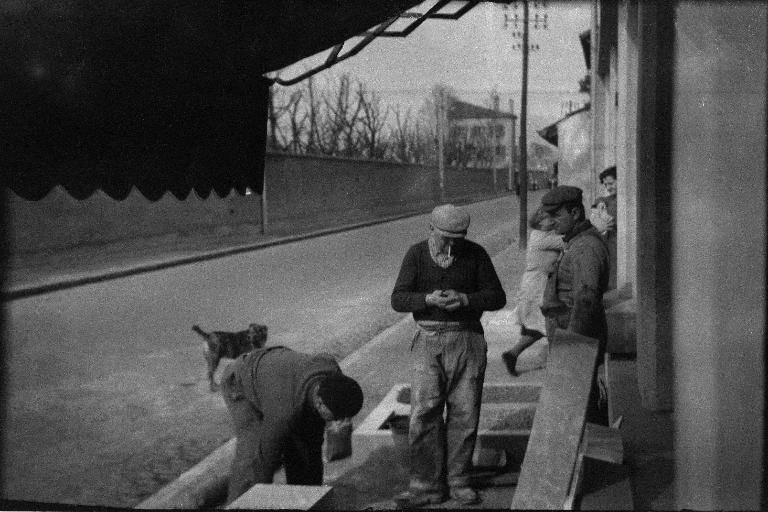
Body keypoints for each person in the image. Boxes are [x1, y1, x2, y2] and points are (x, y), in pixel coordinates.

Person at [390, 204, 506, 508]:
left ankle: (459, 481)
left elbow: (497, 296)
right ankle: (426, 485)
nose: (452, 244)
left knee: (465, 413)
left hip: (467, 338)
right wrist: (427, 298)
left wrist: (466, 299)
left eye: (458, 238)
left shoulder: (476, 254)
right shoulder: (416, 254)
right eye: (445, 237)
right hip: (427, 339)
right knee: (425, 413)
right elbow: (398, 298)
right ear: (431, 229)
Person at [220, 345, 364, 503]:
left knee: (307, 447)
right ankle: (238, 504)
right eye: (338, 417)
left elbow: (312, 445)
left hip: (278, 376)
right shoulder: (284, 413)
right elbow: (264, 462)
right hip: (240, 382)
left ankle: (305, 501)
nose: (341, 421)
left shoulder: (332, 374)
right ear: (320, 404)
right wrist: (255, 500)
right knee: (251, 458)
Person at [540, 186, 610, 425]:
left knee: (579, 414)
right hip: (572, 340)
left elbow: (586, 300)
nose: (550, 223)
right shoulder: (576, 242)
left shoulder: (586, 248)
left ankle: (591, 461)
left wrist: (570, 348)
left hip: (577, 342)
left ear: (576, 213)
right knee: (577, 410)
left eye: (556, 216)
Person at [501, 207, 565, 376]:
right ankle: (552, 362)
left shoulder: (545, 236)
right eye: (547, 218)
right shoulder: (540, 237)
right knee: (545, 325)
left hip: (539, 283)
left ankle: (512, 354)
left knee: (539, 326)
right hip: (536, 286)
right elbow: (565, 241)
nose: (552, 221)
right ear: (538, 222)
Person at [591, 166, 617, 289]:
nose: (608, 187)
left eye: (611, 183)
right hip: (610, 243)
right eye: (606, 185)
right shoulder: (607, 200)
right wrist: (599, 204)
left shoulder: (625, 199)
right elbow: (595, 211)